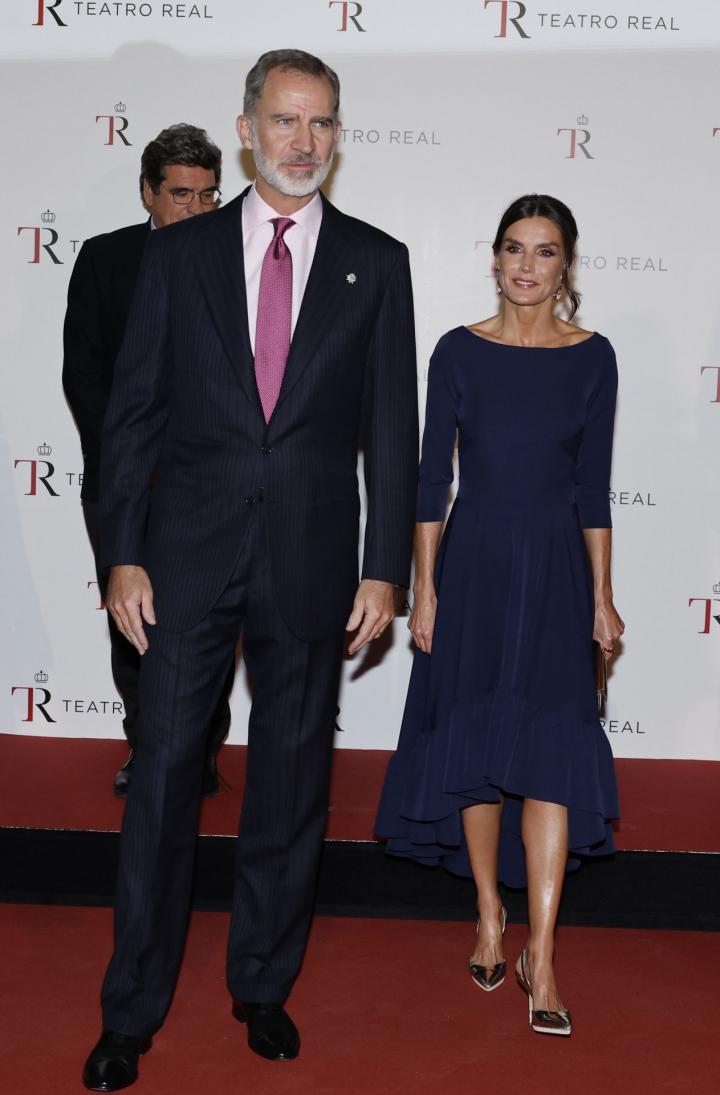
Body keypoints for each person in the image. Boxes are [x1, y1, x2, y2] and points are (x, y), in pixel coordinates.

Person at [81, 50, 417, 1091]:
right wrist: (121, 553)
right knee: (163, 781)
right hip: (183, 558)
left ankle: (262, 983)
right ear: (245, 129)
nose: (302, 141)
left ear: (337, 135)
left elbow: (391, 431)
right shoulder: (178, 255)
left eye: (321, 123)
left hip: (313, 561)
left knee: (290, 784)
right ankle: (130, 1009)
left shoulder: (376, 261)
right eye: (284, 120)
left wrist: (383, 569)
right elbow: (131, 416)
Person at [376, 194, 624, 1037]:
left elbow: (593, 489)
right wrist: (425, 587)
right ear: (494, 257)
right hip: (474, 563)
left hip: (556, 569)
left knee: (550, 754)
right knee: (476, 748)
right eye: (514, 248)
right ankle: (489, 911)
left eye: (545, 251)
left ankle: (541, 954)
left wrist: (601, 595)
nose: (527, 265)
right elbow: (429, 481)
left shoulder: (594, 358)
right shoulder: (458, 350)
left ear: (566, 264)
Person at [63, 123, 232, 798]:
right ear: (148, 193)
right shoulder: (105, 259)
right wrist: (130, 455)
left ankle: (200, 750)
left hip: (211, 481)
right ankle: (146, 746)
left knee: (209, 618)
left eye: (208, 195)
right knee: (131, 619)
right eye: (182, 194)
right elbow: (82, 372)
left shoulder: (238, 262)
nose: (196, 208)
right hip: (123, 477)